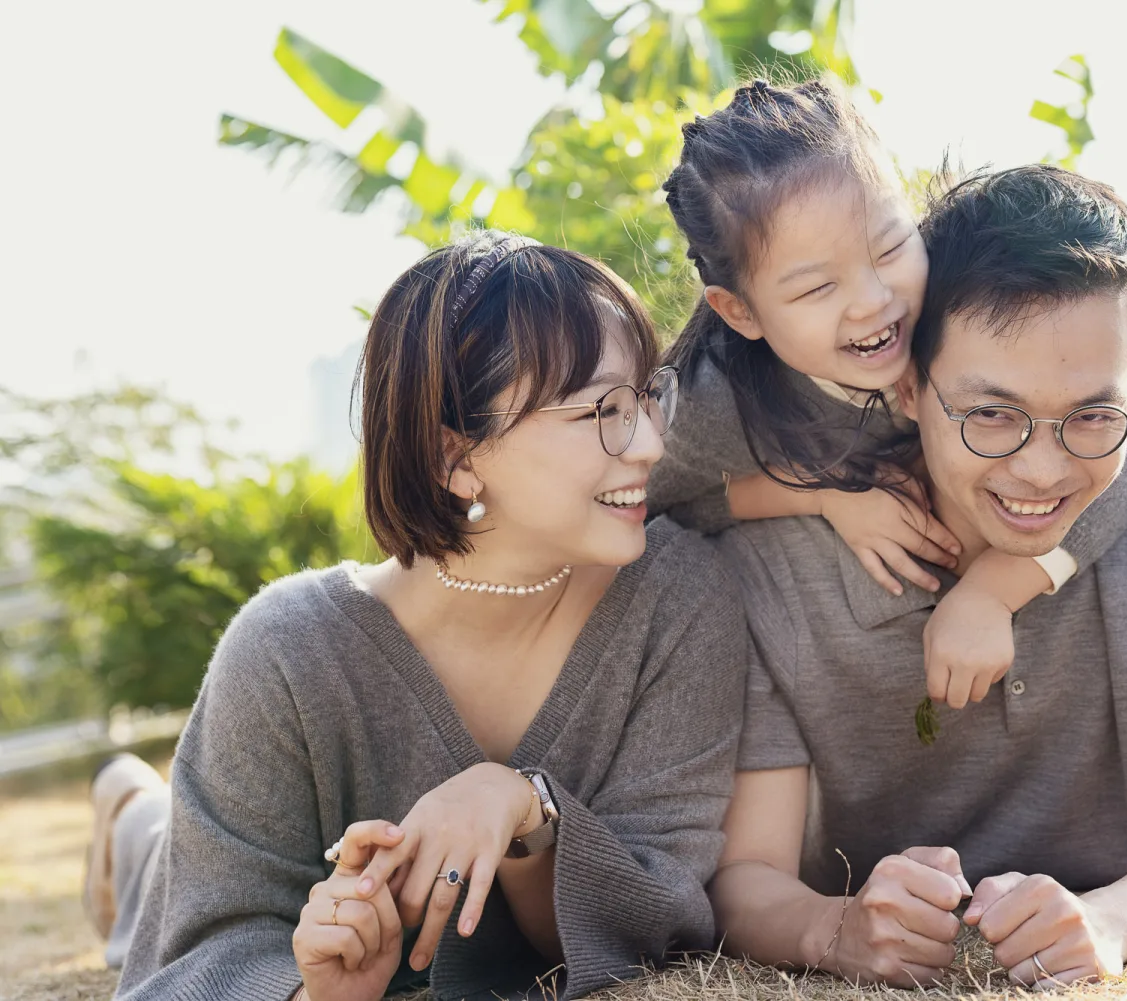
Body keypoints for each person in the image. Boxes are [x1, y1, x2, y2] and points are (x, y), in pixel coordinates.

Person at [83, 233, 748, 1001]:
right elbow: (196, 948)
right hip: (191, 857)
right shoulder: (285, 653)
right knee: (159, 859)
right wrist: (314, 993)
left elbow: (660, 914)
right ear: (454, 458)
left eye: (645, 397)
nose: (651, 443)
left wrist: (525, 808)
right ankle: (132, 813)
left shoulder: (676, 596)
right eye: (603, 410)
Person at [710, 164, 1127, 988]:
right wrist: (834, 927)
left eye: (1093, 415)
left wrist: (1118, 915)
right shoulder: (777, 562)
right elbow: (746, 876)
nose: (1042, 469)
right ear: (909, 387)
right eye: (992, 414)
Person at [651, 79, 1127, 714]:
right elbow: (646, 509)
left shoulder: (950, 303)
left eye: (889, 248)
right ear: (739, 311)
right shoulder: (715, 399)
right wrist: (824, 495)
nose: (873, 301)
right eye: (816, 289)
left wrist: (996, 589)